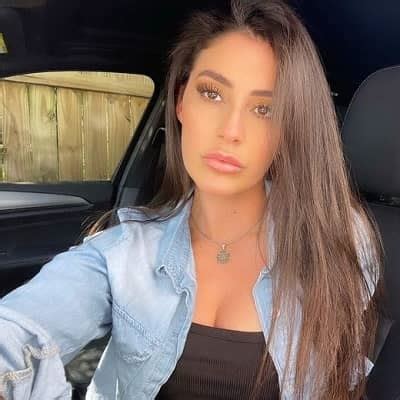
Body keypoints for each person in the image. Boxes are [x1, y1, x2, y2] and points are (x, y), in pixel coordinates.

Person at [0, 0, 384, 399]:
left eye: (264, 109)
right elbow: (19, 331)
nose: (231, 130)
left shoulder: (336, 239)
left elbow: (340, 377)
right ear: (182, 100)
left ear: (288, 129)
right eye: (213, 94)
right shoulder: (126, 251)